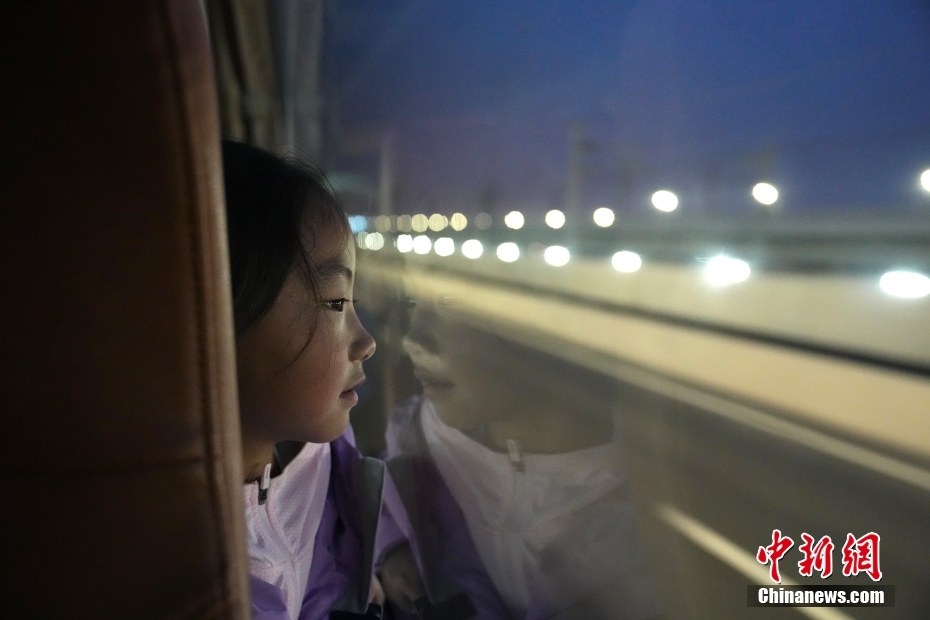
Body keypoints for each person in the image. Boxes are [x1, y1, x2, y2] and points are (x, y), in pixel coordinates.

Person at [376, 295, 661, 620]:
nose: (411, 339)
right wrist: (393, 548)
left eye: (451, 302)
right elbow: (386, 496)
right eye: (413, 301)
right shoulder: (418, 438)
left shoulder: (650, 506)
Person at [222, 140, 384, 620]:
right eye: (335, 302)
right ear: (217, 320)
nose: (367, 342)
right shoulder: (161, 563)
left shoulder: (326, 469)